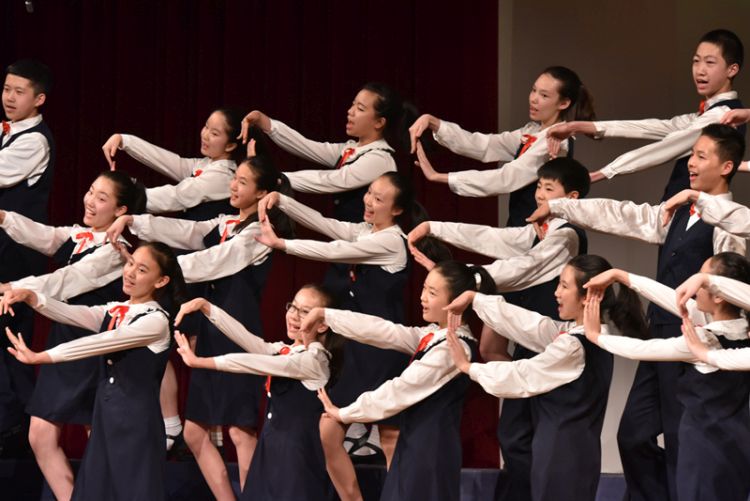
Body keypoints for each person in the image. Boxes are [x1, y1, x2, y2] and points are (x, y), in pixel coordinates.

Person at [527, 123, 747, 500]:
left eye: (700, 156)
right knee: (632, 435)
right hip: (661, 330)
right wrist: (562, 205)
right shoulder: (680, 208)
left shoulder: (730, 223)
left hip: (695, 340)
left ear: (726, 167)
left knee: (683, 441)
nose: (690, 162)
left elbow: (729, 294)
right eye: (691, 154)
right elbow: (625, 215)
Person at [106, 155, 292, 500]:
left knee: (239, 431)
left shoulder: (256, 234)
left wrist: (158, 269)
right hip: (209, 328)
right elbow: (187, 230)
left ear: (262, 192)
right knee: (194, 431)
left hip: (237, 329)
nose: (234, 186)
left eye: (243, 182)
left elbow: (213, 262)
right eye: (234, 178)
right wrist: (135, 220)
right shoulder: (227, 223)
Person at [407, 156, 590, 500]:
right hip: (529, 340)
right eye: (538, 186)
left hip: (553, 342)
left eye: (549, 189)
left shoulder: (565, 238)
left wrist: (469, 281)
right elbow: (493, 238)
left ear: (573, 197)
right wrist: (436, 228)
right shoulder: (540, 230)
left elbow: (524, 267)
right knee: (514, 434)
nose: (539, 195)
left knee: (537, 436)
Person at [255, 172, 421, 500]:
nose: (369, 202)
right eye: (369, 194)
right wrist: (283, 200)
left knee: (389, 434)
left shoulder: (392, 241)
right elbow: (325, 224)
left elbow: (335, 250)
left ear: (398, 210)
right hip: (355, 349)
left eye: (379, 199)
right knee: (328, 430)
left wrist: (283, 244)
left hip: (382, 350)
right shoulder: (364, 231)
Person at [444, 254, 647, 501]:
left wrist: (468, 368)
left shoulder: (574, 346)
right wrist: (476, 299)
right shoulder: (587, 336)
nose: (556, 294)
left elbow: (524, 374)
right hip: (573, 453)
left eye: (564, 285)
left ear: (589, 296)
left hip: (561, 455)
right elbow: (531, 324)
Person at [2, 242, 186, 500]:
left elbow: (99, 342)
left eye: (142, 270)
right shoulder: (115, 310)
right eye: (131, 263)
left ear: (161, 281)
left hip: (135, 424)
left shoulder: (155, 321)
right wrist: (32, 297)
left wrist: (44, 356)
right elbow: (73, 313)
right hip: (105, 417)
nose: (130, 272)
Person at [0, 170, 143, 499]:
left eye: (102, 198)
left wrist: (11, 288)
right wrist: (4, 216)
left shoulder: (114, 251)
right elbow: (45, 236)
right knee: (41, 434)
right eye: (91, 191)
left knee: (96, 436)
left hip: (92, 347)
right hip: (62, 342)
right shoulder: (82, 236)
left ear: (121, 212)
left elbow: (65, 281)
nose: (90, 201)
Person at [301, 260, 495, 501]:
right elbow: (384, 330)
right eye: (423, 288)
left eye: (432, 293)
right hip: (415, 444)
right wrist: (326, 315)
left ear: (456, 301)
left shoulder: (452, 348)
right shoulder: (434, 335)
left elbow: (400, 390)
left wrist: (346, 413)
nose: (423, 297)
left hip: (430, 451)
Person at [583, 253, 750, 501]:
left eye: (700, 283)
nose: (692, 290)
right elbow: (669, 296)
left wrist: (596, 337)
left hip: (704, 450)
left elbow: (645, 350)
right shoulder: (742, 328)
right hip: (737, 447)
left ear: (717, 295)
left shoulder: (705, 340)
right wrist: (621, 276)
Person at [171, 284, 342, 500]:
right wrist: (207, 308)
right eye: (293, 307)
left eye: (305, 311)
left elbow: (253, 362)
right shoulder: (285, 350)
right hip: (270, 449)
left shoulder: (315, 360)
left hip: (297, 458)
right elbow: (247, 339)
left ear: (323, 325)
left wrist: (201, 362)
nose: (294, 316)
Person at [547, 29, 745, 200]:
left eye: (710, 63)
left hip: (697, 215)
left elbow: (664, 148)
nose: (700, 70)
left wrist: (601, 174)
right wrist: (578, 127)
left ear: (732, 69)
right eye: (696, 61)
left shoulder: (723, 115)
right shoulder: (707, 113)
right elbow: (653, 127)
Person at [409, 66, 595, 227]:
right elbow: (485, 145)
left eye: (544, 95)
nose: (534, 99)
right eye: (534, 90)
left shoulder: (555, 142)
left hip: (537, 228)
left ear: (564, 103)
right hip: (520, 223)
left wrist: (441, 177)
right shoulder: (532, 131)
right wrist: (434, 123)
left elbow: (506, 178)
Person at [238, 82, 416, 222]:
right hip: (347, 242)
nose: (350, 112)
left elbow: (330, 180)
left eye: (360, 109)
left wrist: (268, 178)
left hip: (365, 244)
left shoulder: (379, 158)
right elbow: (307, 146)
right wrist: (265, 123)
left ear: (379, 122)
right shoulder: (350, 149)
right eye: (353, 105)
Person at [0, 59, 55, 446]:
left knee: (9, 339)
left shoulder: (34, 141)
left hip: (16, 257)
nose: (9, 97)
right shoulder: (5, 132)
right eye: (6, 89)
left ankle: (16, 425)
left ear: (39, 99)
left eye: (19, 92)